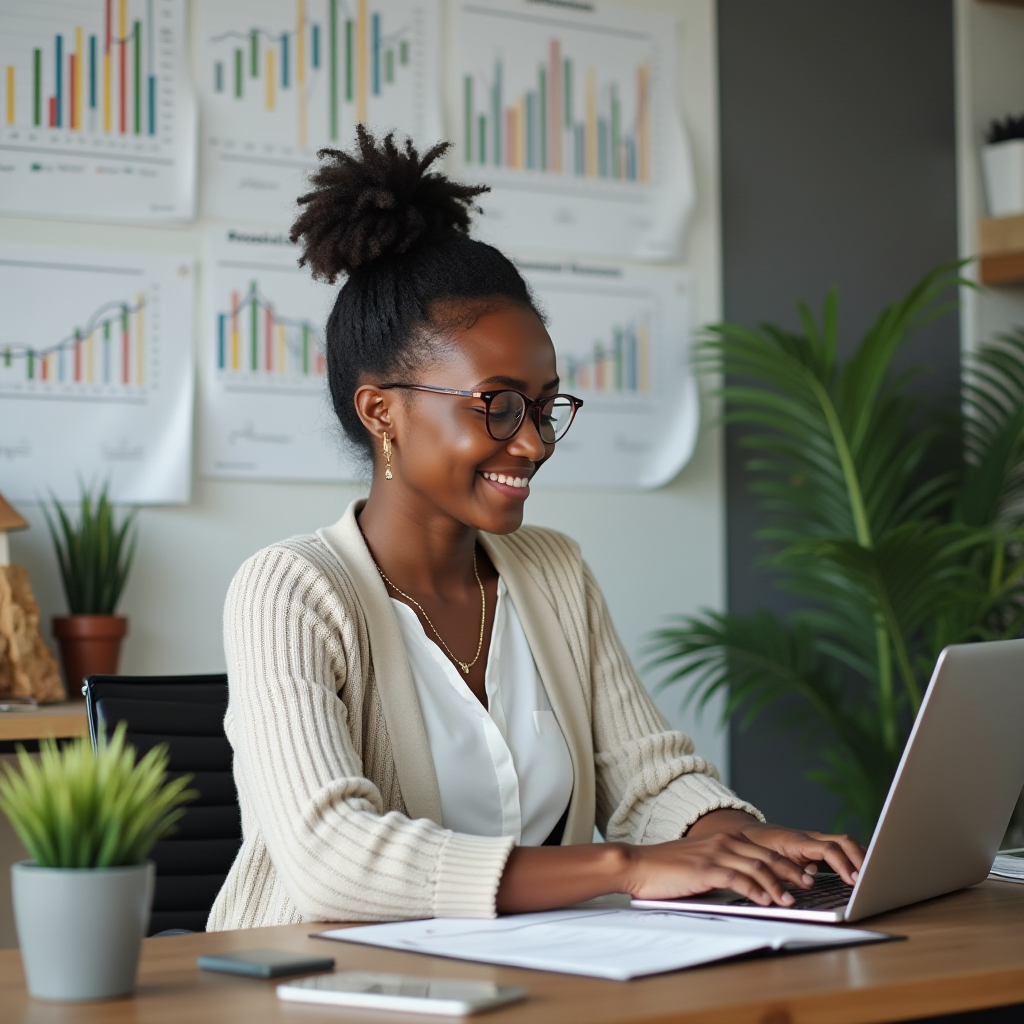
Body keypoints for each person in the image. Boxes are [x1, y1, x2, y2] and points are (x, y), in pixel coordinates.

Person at [207, 128, 864, 931]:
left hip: (528, 980)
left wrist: (743, 845)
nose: (534, 441)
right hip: (322, 990)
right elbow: (334, 856)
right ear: (382, 410)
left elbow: (649, 782)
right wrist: (626, 868)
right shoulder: (290, 590)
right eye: (498, 404)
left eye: (545, 404)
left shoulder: (551, 569)